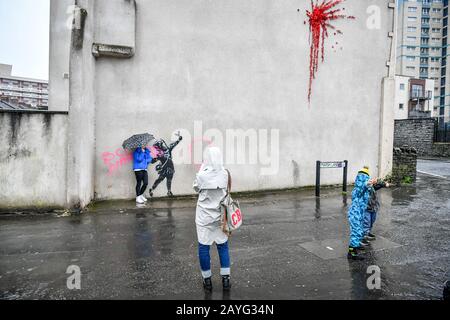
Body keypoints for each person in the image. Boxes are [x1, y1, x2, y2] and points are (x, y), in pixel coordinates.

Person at [193, 147, 231, 292]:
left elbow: (196, 188)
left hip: (204, 217)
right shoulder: (225, 173)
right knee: (223, 246)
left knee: (204, 247)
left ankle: (207, 280)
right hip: (221, 216)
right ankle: (226, 279)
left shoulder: (202, 175)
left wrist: (203, 169)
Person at [347, 166, 376, 260]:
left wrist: (371, 184)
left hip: (360, 213)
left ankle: (356, 245)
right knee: (356, 231)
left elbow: (366, 189)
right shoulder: (357, 189)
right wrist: (367, 184)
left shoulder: (366, 189)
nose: (365, 180)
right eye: (364, 178)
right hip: (355, 213)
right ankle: (351, 253)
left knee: (360, 231)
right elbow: (360, 190)